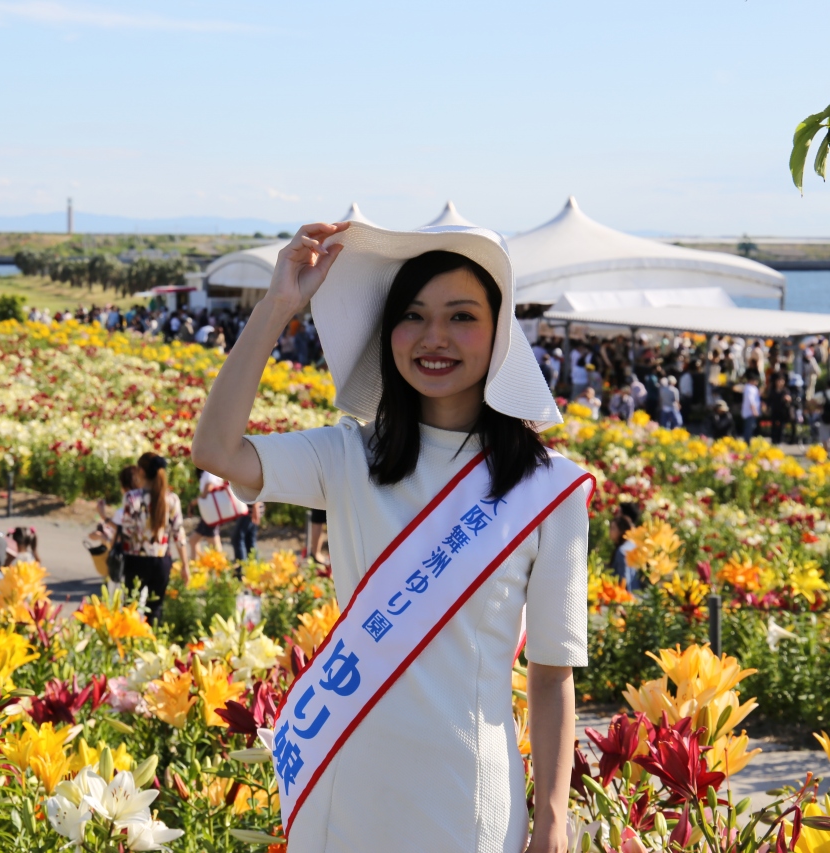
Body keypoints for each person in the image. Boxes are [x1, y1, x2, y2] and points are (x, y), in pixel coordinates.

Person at [192, 221, 590, 853]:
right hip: (347, 788)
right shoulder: (347, 456)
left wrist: (553, 821)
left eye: (462, 316)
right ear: (388, 333)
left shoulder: (550, 491)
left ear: (501, 333)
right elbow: (216, 449)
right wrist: (278, 308)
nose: (435, 338)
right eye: (413, 315)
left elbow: (551, 674)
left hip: (470, 801)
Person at [116, 452, 189, 622]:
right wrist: (185, 565)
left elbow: (127, 531)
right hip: (161, 561)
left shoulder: (132, 498)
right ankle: (152, 644)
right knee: (155, 609)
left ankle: (129, 644)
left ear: (141, 472)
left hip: (135, 560)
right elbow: (178, 533)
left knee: (131, 608)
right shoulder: (171, 499)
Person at [189, 468, 226, 559]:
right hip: (209, 514)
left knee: (214, 545)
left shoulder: (210, 473)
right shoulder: (211, 472)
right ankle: (197, 566)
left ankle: (221, 568)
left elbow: (207, 491)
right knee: (193, 540)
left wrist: (193, 503)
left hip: (211, 514)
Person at [609, 513, 639, 592]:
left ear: (621, 531)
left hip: (627, 597)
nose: (610, 532)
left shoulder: (621, 551)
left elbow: (624, 580)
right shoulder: (634, 545)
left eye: (613, 528)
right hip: (638, 594)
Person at [741, 370, 762, 441]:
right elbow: (751, 401)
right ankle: (747, 442)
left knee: (751, 427)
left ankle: (748, 441)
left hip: (751, 412)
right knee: (749, 428)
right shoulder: (749, 388)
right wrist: (754, 410)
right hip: (750, 412)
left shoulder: (753, 388)